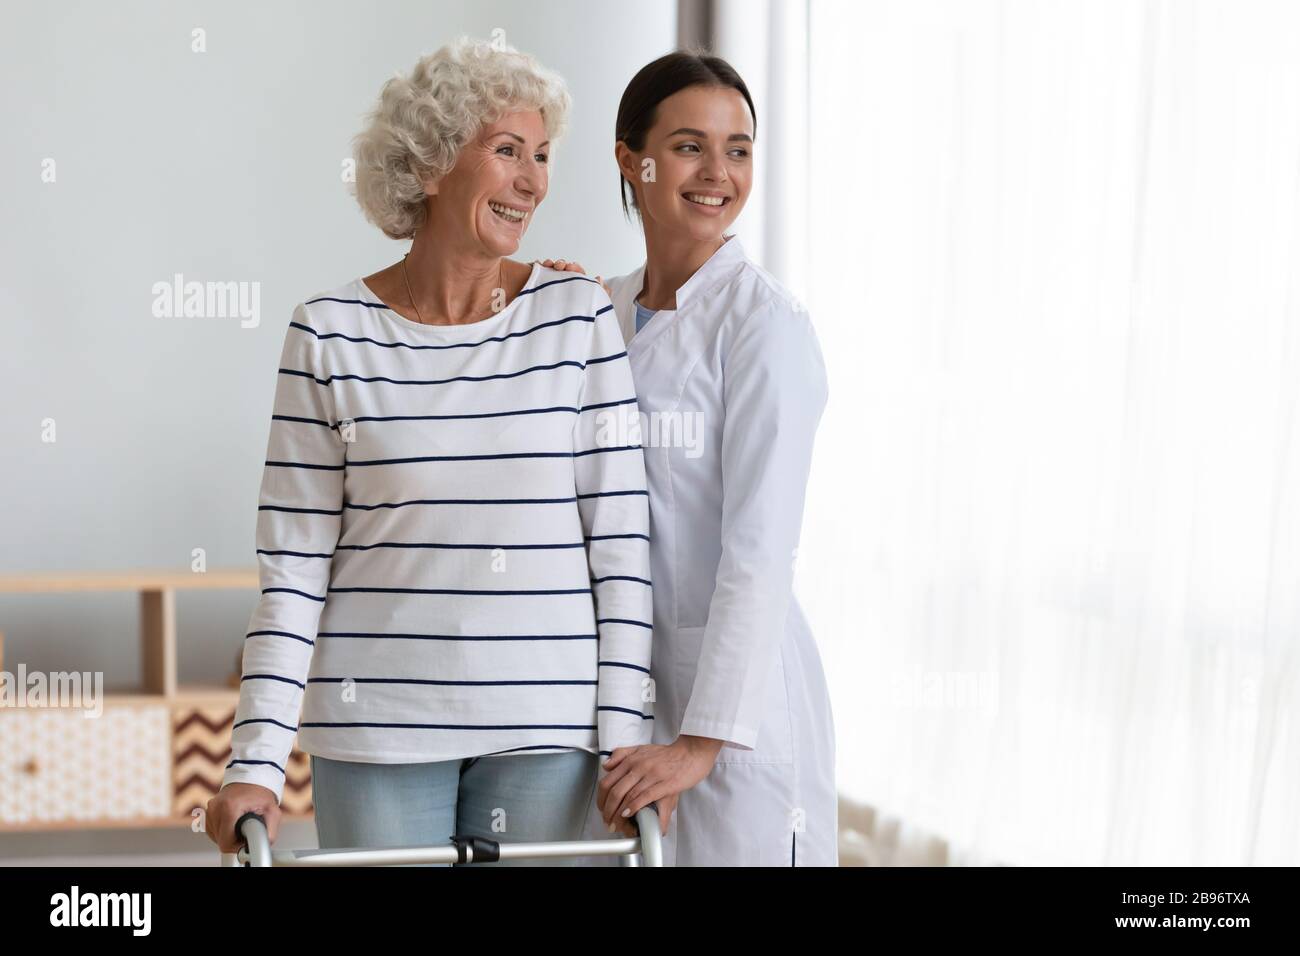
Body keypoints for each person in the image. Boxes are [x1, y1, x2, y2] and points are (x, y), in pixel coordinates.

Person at [205, 37, 654, 865]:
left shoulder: (578, 318)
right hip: (375, 728)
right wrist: (254, 760)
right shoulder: (328, 333)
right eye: (506, 150)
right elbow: (295, 569)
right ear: (432, 164)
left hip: (545, 731)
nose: (532, 180)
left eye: (543, 155)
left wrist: (625, 737)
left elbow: (621, 543)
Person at [547, 50, 836, 866]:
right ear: (629, 160)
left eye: (738, 149)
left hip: (733, 721)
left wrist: (699, 747)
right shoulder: (594, 313)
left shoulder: (764, 326)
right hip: (620, 704)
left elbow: (759, 554)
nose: (718, 173)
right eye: (688, 146)